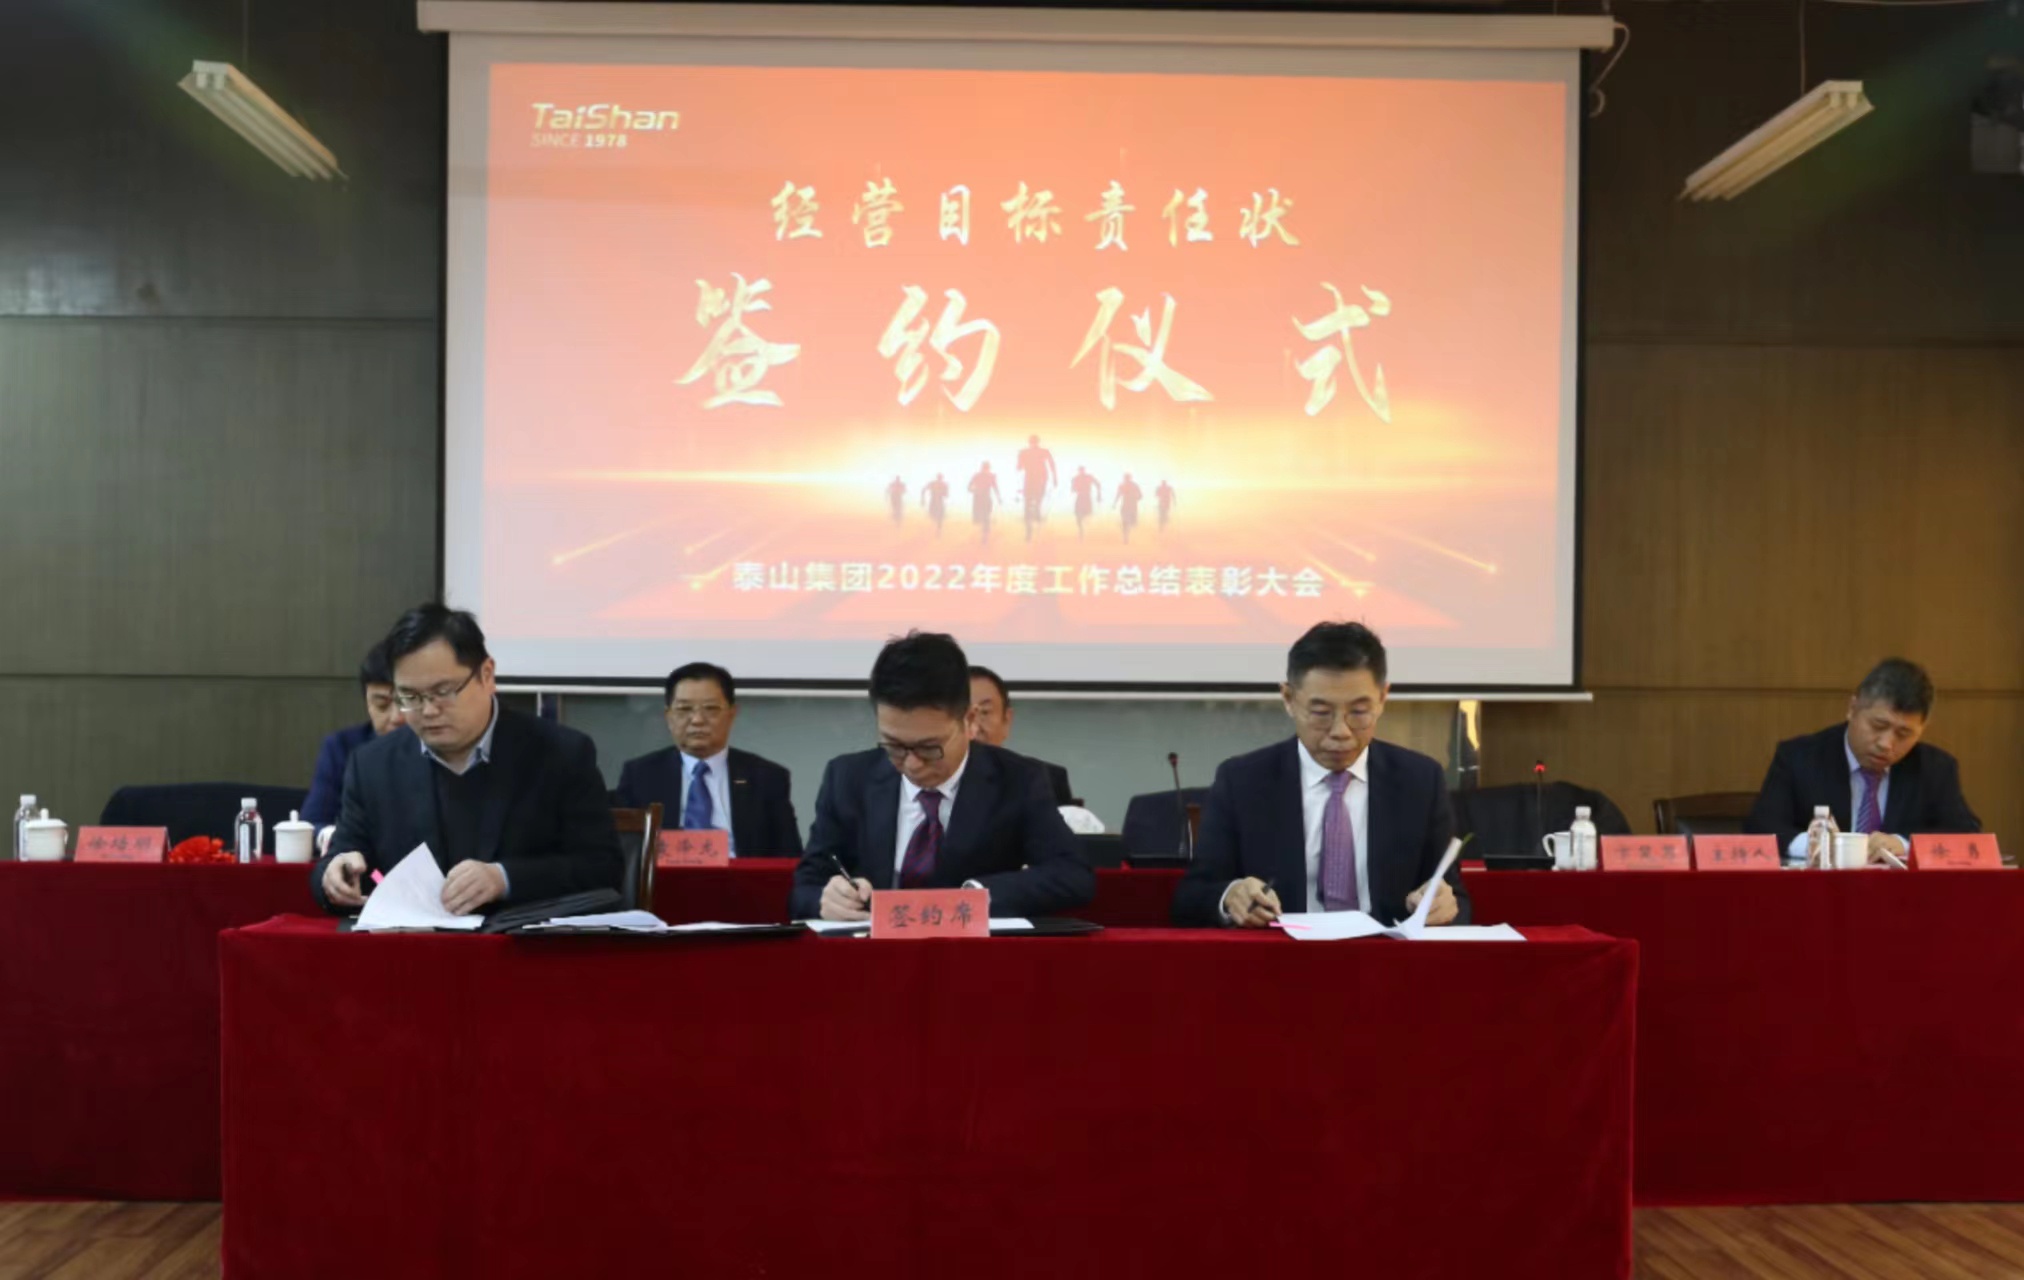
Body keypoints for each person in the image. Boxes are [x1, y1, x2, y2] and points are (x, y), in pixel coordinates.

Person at [312, 604, 622, 915]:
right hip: (414, 941)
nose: (428, 710)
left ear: (486, 676)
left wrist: (504, 878)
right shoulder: (373, 766)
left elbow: (603, 867)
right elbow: (342, 857)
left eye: (443, 691)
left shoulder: (562, 754)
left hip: (521, 939)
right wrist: (335, 874)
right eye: (410, 697)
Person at [1171, 621, 1468, 929]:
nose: (1340, 731)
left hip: (1385, 953)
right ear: (1288, 699)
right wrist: (1231, 895)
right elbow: (1191, 898)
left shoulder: (1420, 781)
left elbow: (1454, 897)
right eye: (1321, 713)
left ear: (1382, 698)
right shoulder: (1242, 781)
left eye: (1358, 712)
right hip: (1280, 952)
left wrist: (1443, 906)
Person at [789, 631, 1093, 921]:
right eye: (894, 745)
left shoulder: (1018, 780)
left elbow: (1072, 875)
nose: (912, 764)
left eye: (929, 748)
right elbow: (805, 888)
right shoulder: (848, 779)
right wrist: (827, 900)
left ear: (969, 721)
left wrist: (978, 895)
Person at [1746, 658, 1980, 866]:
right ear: (1852, 709)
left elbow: (1968, 836)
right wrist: (1823, 847)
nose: (1886, 744)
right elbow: (1762, 828)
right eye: (1878, 726)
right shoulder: (1798, 758)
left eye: (1903, 734)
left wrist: (1904, 844)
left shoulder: (1936, 768)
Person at [614, 662, 803, 857]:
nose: (697, 720)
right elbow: (624, 853)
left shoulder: (766, 777)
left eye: (711, 708)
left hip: (740, 874)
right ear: (668, 717)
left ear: (732, 714)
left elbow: (790, 858)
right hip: (665, 875)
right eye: (684, 709)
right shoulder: (641, 775)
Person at [301, 640, 404, 828]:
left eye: (406, 702)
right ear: (367, 703)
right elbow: (313, 823)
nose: (396, 717)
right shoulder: (342, 747)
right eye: (382, 705)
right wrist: (339, 837)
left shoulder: (442, 749)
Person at [968, 665, 1075, 806]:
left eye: (984, 712)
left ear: (1007, 720)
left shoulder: (1045, 781)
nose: (974, 727)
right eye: (963, 713)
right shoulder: (938, 784)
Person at [1016, 433, 1057, 541]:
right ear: (1038, 442)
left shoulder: (1023, 452)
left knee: (1028, 500)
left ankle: (1028, 525)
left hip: (1031, 478)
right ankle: (1036, 512)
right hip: (1041, 478)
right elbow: (1052, 465)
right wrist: (1055, 478)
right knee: (1038, 498)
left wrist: (1022, 462)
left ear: (1029, 442)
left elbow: (1019, 467)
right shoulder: (1044, 451)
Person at [968, 461, 1001, 544]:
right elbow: (995, 488)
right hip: (984, 498)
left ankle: (985, 534)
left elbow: (969, 488)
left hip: (980, 499)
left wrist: (975, 491)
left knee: (984, 516)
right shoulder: (989, 476)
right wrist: (999, 498)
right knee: (985, 516)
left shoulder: (978, 476)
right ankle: (985, 533)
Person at [1069, 466, 1103, 539]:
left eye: (1082, 471)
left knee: (1086, 513)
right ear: (1079, 471)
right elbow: (1073, 490)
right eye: (1080, 471)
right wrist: (1073, 485)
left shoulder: (1088, 477)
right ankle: (1081, 530)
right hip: (1080, 497)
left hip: (1086, 497)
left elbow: (1098, 484)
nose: (1081, 472)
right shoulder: (1076, 478)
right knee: (1078, 514)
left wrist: (1099, 495)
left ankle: (1084, 522)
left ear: (1084, 471)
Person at [1114, 472, 1144, 544]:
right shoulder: (1123, 485)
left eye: (1127, 478)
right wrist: (1114, 503)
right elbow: (1118, 494)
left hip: (1131, 506)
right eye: (1126, 478)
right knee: (1125, 522)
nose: (1126, 479)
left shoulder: (1133, 485)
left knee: (1131, 523)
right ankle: (1126, 537)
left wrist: (1136, 499)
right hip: (1126, 506)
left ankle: (1127, 533)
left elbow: (1140, 495)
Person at [921, 472, 950, 538]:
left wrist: (941, 493)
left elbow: (946, 495)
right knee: (933, 515)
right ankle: (937, 528)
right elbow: (924, 489)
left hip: (939, 500)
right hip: (934, 501)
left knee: (940, 516)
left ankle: (938, 530)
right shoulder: (934, 483)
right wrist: (923, 499)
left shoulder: (943, 484)